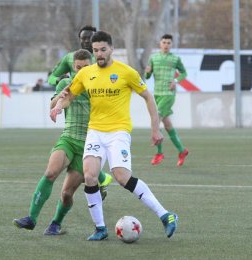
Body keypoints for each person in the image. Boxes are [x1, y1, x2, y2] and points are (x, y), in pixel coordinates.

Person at [50, 31, 178, 241]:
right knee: (89, 175)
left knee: (121, 176)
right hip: (95, 132)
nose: (99, 54)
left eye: (102, 50)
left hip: (118, 131)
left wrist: (155, 128)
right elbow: (69, 96)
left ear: (111, 49)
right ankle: (100, 228)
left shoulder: (126, 72)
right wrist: (58, 107)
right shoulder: (86, 73)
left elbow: (148, 97)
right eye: (95, 51)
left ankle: (166, 215)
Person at [13, 49, 113, 235]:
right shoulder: (67, 83)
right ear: (73, 67)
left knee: (67, 194)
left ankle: (55, 223)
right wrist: (60, 98)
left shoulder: (99, 86)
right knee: (51, 172)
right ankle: (31, 218)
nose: (80, 71)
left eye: (85, 67)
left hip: (88, 146)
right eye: (77, 67)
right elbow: (52, 104)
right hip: (68, 138)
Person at [144, 34, 189, 167]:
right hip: (156, 94)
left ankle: (159, 153)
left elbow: (184, 73)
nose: (166, 45)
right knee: (167, 124)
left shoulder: (175, 59)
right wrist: (147, 72)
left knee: (156, 118)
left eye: (169, 43)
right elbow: (147, 75)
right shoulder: (154, 58)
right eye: (164, 42)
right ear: (160, 43)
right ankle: (182, 150)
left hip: (168, 94)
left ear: (171, 45)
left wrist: (176, 81)